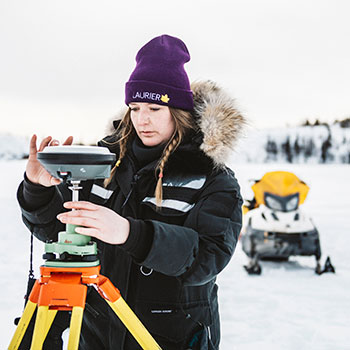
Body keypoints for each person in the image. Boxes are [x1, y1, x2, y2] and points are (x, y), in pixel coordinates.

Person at [17, 34, 245, 349]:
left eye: (154, 107)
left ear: (177, 110)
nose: (142, 119)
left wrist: (131, 233)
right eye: (135, 107)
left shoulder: (212, 178)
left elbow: (207, 256)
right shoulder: (103, 165)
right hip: (99, 334)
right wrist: (37, 191)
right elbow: (58, 230)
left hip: (171, 337)